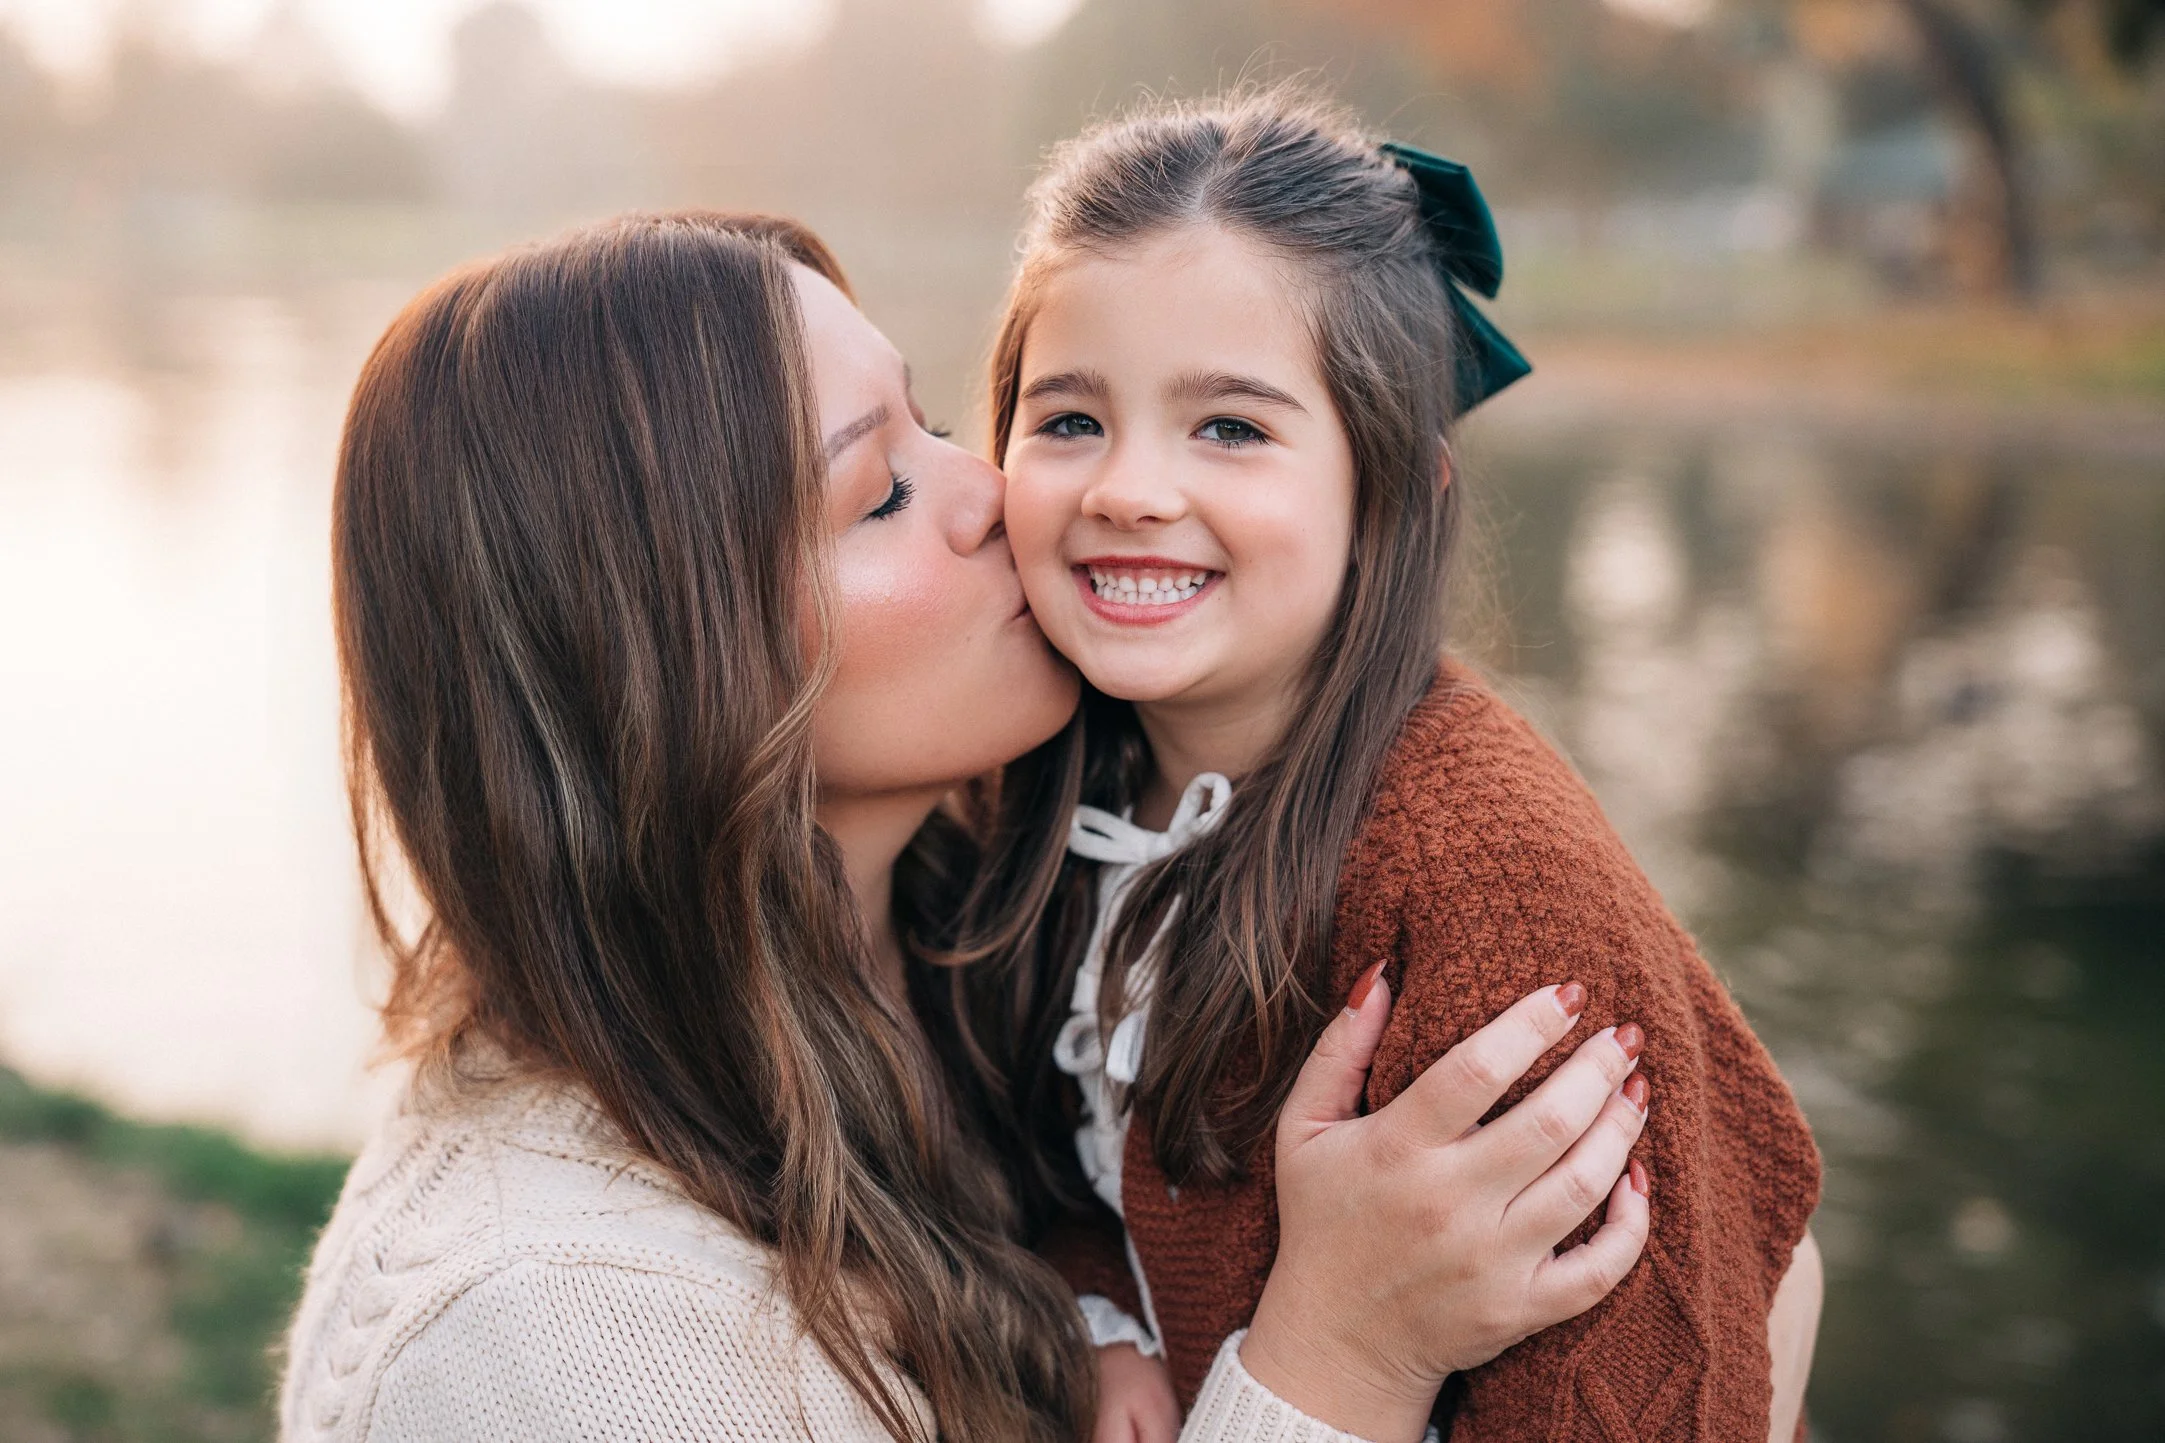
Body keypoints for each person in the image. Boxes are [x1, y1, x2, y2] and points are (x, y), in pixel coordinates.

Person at [279, 210, 1662, 1443]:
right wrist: (1342, 1355)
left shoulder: (985, 935)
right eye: (877, 492)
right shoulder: (568, 1345)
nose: (995, 491)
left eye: (936, 422)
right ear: (642, 672)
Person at [949, 90, 1824, 1443]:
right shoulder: (1029, 777)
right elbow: (1018, 1148)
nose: (1125, 486)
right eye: (1068, 420)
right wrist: (1096, 1316)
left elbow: (1648, 1380)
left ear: (1392, 495)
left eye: (1229, 427)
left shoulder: (1490, 889)